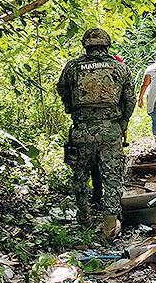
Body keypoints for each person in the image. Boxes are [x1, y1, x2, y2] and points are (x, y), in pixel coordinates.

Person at [57, 28, 136, 239]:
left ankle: (84, 217)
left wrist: (71, 107)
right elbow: (130, 99)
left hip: (81, 130)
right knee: (112, 177)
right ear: (107, 45)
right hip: (110, 130)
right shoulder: (119, 67)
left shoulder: (72, 67)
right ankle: (109, 226)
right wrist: (123, 122)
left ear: (86, 45)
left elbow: (62, 90)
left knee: (80, 175)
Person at [138, 50, 156, 149]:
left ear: (155, 58)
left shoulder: (150, 69)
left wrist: (140, 97)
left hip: (152, 96)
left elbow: (145, 84)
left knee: (155, 119)